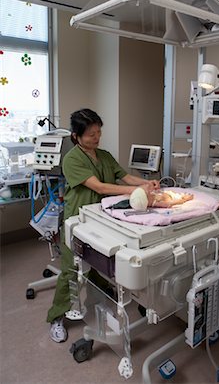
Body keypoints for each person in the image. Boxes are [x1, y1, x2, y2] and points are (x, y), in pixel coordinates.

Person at [47, 108, 160, 342]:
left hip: (104, 220)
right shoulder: (72, 160)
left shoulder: (105, 155)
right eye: (90, 134)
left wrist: (146, 182)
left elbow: (125, 177)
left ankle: (99, 300)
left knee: (100, 264)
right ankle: (56, 317)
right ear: (76, 136)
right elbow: (99, 187)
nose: (96, 138)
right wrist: (137, 191)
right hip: (78, 221)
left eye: (98, 132)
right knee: (72, 269)